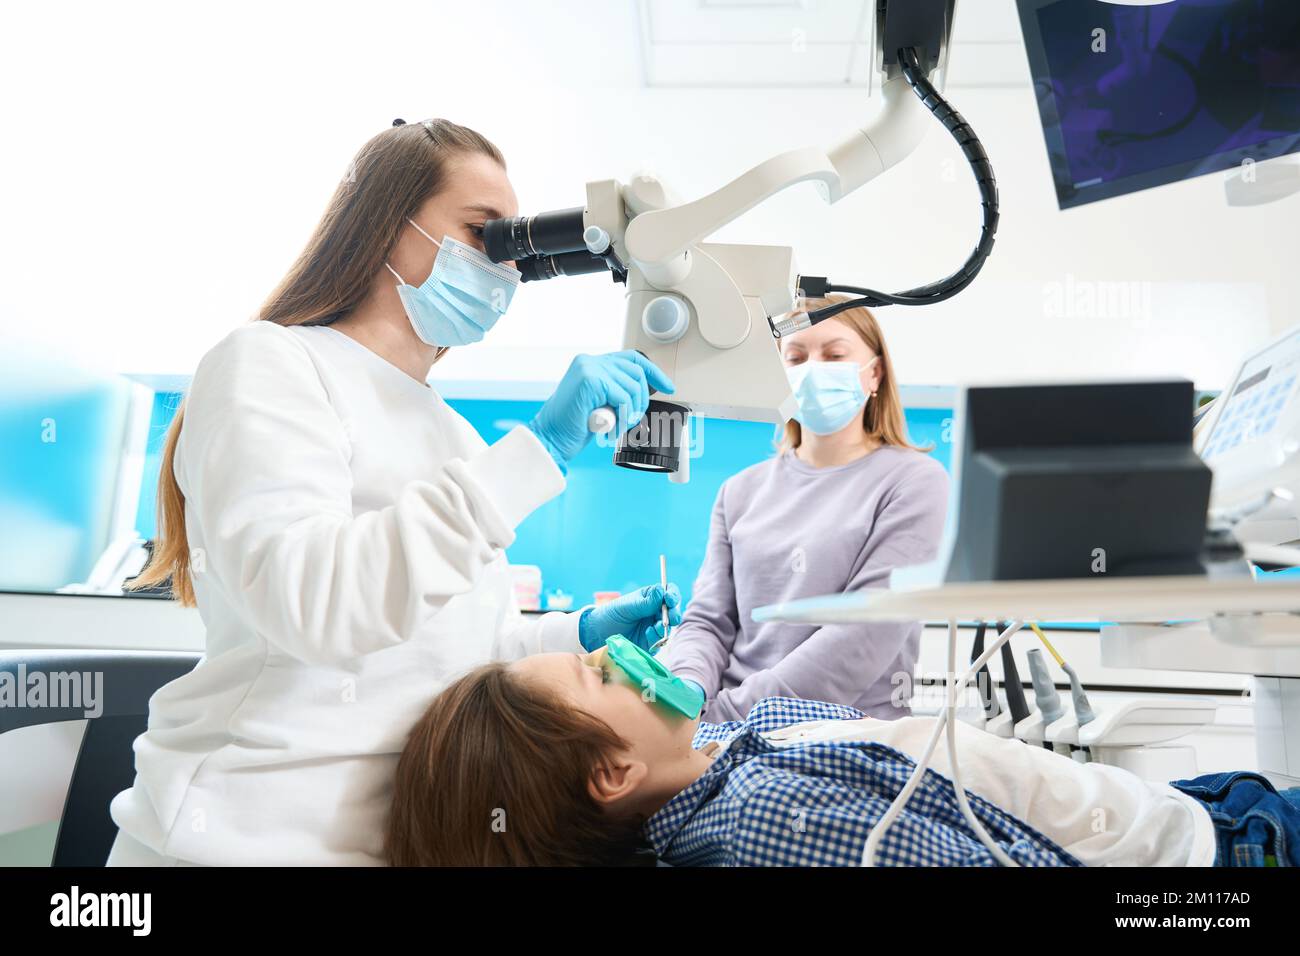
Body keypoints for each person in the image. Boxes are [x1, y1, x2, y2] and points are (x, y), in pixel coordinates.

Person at [106, 118, 683, 866]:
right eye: (487, 235)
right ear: (388, 225)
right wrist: (538, 451)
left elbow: (460, 652)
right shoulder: (270, 364)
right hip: (239, 836)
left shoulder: (452, 433)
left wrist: (573, 638)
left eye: (515, 253)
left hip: (390, 842)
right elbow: (318, 605)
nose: (506, 270)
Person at [386, 649, 1300, 867]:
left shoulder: (723, 753)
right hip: (1209, 850)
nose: (630, 658)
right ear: (612, 774)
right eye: (600, 671)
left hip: (1168, 804)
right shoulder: (769, 826)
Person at [657, 295, 948, 721]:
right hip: (720, 727)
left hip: (844, 736)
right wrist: (683, 694)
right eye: (795, 357)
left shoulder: (914, 482)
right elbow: (708, 622)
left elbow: (865, 635)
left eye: (834, 354)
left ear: (875, 373)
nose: (812, 369)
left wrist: (726, 717)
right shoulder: (740, 491)